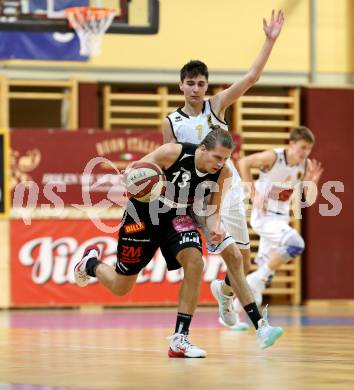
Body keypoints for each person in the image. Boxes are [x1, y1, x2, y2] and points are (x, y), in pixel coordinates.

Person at [74, 129, 282, 358]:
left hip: (178, 216)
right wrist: (134, 179)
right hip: (143, 215)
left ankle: (180, 338)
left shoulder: (223, 174)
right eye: (217, 157)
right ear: (202, 149)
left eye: (225, 158)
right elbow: (133, 172)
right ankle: (90, 263)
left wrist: (215, 228)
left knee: (195, 262)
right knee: (121, 286)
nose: (221, 163)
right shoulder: (173, 152)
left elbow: (212, 212)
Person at [163, 10, 285, 330]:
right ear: (181, 85)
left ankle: (223, 291)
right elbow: (170, 163)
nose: (195, 88)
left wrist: (269, 40)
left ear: (206, 86)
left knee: (243, 263)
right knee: (233, 259)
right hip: (201, 196)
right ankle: (245, 313)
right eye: (190, 83)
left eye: (201, 83)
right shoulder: (172, 122)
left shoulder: (216, 106)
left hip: (227, 188)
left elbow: (251, 77)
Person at [230, 126, 324, 314]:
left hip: (281, 218)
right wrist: (252, 193)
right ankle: (255, 280)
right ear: (291, 144)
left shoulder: (304, 165)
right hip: (264, 216)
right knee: (296, 244)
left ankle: (231, 312)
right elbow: (244, 162)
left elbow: (309, 200)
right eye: (303, 148)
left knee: (266, 273)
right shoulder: (274, 157)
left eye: (309, 149)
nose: (306, 153)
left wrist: (313, 183)